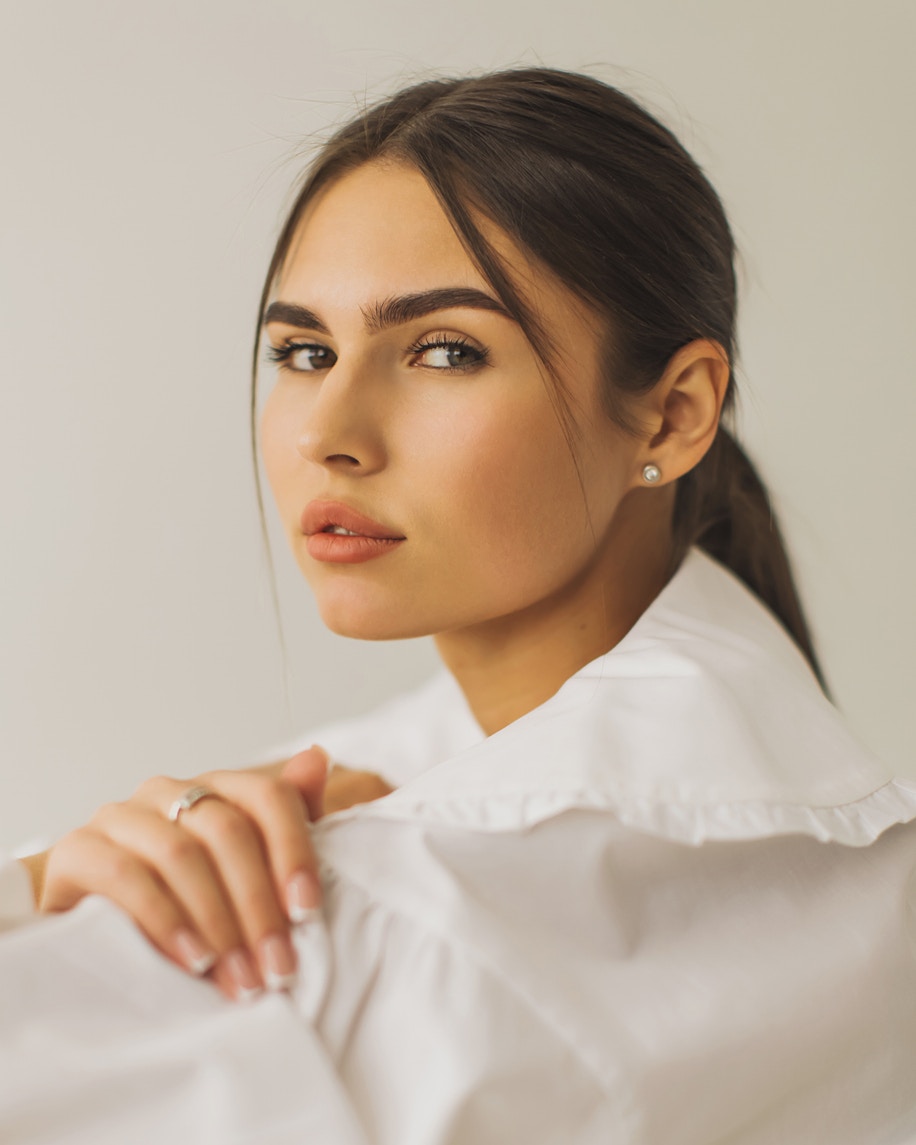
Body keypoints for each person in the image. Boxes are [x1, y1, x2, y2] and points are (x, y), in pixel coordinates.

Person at [2, 66, 915, 1143]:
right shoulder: (843, 847)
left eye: (445, 350)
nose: (327, 431)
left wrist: (38, 885)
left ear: (670, 417)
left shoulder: (393, 912)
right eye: (302, 351)